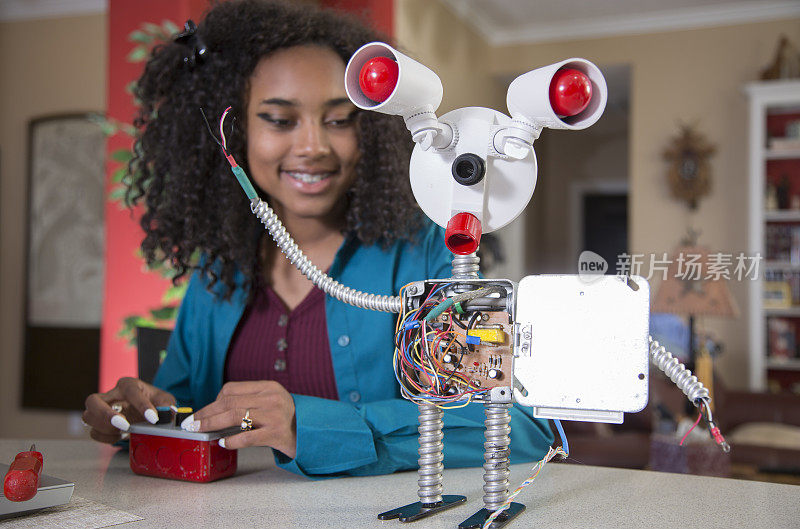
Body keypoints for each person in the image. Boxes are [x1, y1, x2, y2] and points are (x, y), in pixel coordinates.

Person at [82, 0, 552, 478]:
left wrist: (310, 425)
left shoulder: (430, 251)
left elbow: (519, 427)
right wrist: (146, 417)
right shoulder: (216, 271)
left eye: (338, 119)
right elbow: (183, 408)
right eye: (280, 120)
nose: (313, 146)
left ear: (369, 127)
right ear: (238, 133)